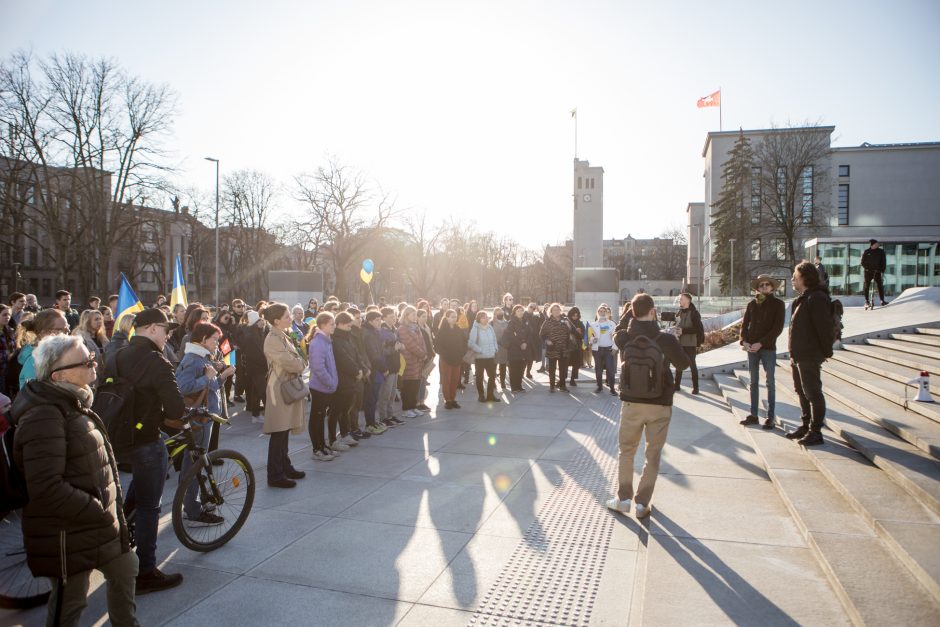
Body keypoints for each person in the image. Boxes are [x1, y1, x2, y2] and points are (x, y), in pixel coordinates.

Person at [12, 335, 138, 626]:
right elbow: (46, 487)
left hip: (101, 522)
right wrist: (97, 510)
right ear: (59, 375)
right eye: (86, 361)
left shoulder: (75, 400)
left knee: (126, 569)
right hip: (69, 532)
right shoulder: (44, 415)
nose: (95, 365)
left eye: (93, 358)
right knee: (70, 603)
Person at [109, 308, 184, 593]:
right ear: (152, 328)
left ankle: (122, 542)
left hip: (116, 437)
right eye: (167, 330)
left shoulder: (116, 354)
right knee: (150, 507)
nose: (168, 336)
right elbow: (176, 409)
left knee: (135, 498)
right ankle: (146, 572)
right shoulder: (157, 361)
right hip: (145, 440)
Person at [606, 293, 689, 519]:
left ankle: (623, 499)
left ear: (632, 312)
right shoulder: (666, 340)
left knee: (626, 451)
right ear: (653, 311)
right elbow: (683, 363)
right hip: (660, 404)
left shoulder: (625, 337)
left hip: (632, 403)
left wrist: (629, 315)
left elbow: (617, 331)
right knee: (652, 454)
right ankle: (642, 503)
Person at [176, 322, 235, 515]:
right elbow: (184, 387)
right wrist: (209, 376)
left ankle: (194, 502)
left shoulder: (201, 357)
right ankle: (191, 508)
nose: (217, 344)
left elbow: (211, 388)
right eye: (214, 340)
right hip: (197, 419)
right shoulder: (193, 359)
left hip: (204, 417)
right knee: (193, 464)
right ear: (202, 340)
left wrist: (222, 375)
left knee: (195, 463)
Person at [259, 304, 308, 485]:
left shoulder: (282, 335)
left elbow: (299, 357)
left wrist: (300, 361)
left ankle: (285, 467)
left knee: (284, 430)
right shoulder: (272, 338)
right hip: (278, 389)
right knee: (279, 432)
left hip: (284, 386)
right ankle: (275, 475)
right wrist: (300, 362)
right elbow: (291, 362)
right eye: (287, 316)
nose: (290, 319)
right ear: (276, 321)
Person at [786, 261, 834, 446]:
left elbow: (824, 328)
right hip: (798, 354)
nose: (792, 279)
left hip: (809, 355)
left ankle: (816, 431)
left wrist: (825, 352)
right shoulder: (804, 298)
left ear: (805, 277)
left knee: (813, 393)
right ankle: (805, 425)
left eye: (795, 276)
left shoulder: (817, 298)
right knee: (801, 391)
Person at [739, 275, 786, 429]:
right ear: (757, 288)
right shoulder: (752, 304)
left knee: (770, 383)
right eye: (761, 285)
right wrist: (744, 341)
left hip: (767, 348)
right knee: (753, 382)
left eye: (767, 284)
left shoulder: (778, 304)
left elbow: (777, 328)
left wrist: (761, 343)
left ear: (772, 287)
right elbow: (744, 325)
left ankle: (770, 417)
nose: (764, 287)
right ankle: (753, 415)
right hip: (751, 348)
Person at [308, 311, 339, 461]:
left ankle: (323, 445)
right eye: (332, 324)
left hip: (326, 387)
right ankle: (317, 449)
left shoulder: (326, 340)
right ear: (322, 325)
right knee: (317, 419)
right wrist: (331, 382)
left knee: (320, 419)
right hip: (320, 388)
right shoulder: (319, 342)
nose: (334, 327)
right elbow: (318, 368)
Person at [18, 308, 70, 389]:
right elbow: (36, 397)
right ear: (44, 332)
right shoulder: (34, 361)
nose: (68, 330)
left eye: (67, 326)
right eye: (60, 329)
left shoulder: (59, 354)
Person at [362, 310, 390, 433]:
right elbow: (374, 355)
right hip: (374, 370)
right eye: (377, 320)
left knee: (374, 399)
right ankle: (370, 424)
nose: (380, 322)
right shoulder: (368, 334)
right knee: (371, 399)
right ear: (370, 321)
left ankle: (373, 422)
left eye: (380, 319)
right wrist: (384, 369)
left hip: (377, 369)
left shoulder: (374, 332)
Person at [237, 310, 268, 420]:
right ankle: (270, 416)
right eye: (260, 320)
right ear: (255, 322)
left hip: (260, 366)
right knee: (264, 391)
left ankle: (255, 414)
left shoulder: (261, 331)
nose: (263, 322)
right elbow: (251, 352)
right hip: (255, 367)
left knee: (256, 391)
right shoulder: (249, 333)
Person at [398, 306, 428, 417]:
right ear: (406, 316)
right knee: (408, 386)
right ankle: (406, 409)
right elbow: (410, 345)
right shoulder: (402, 328)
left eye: (416, 314)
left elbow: (422, 342)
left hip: (418, 361)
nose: (416, 317)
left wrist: (424, 354)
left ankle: (413, 407)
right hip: (409, 361)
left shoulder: (416, 327)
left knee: (415, 385)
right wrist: (422, 354)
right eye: (413, 315)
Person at [377, 307, 404, 427]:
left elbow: (398, 343)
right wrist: (394, 348)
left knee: (392, 394)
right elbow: (382, 351)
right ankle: (383, 417)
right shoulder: (381, 332)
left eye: (394, 316)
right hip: (387, 366)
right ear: (384, 318)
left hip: (395, 365)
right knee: (385, 394)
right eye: (391, 317)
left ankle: (390, 414)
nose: (394, 318)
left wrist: (401, 346)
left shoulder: (394, 329)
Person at [673, 293, 704, 395]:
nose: (679, 301)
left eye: (681, 299)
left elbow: (697, 329)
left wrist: (683, 331)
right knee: (679, 364)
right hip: (680, 343)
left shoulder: (694, 313)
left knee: (692, 365)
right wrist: (676, 329)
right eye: (679, 299)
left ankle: (696, 388)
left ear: (688, 301)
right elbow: (678, 325)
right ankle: (677, 385)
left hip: (690, 344)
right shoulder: (679, 312)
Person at [468, 310, 500, 402]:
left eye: (486, 317)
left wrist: (495, 348)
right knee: (479, 376)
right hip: (480, 357)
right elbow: (471, 343)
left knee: (492, 376)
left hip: (490, 356)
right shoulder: (475, 328)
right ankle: (481, 395)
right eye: (483, 317)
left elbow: (494, 338)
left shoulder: (490, 327)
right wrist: (480, 350)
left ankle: (490, 395)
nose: (486, 319)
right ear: (478, 319)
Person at [435, 309, 465, 408]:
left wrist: (462, 353)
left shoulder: (458, 329)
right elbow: (437, 346)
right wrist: (445, 354)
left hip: (457, 358)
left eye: (455, 316)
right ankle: (447, 400)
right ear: (447, 318)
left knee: (455, 379)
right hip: (446, 359)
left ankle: (453, 398)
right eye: (452, 316)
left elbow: (465, 342)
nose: (454, 318)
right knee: (446, 379)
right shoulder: (442, 330)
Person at [586, 305, 617, 395]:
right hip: (597, 350)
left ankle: (612, 389)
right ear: (597, 313)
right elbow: (590, 338)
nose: (602, 313)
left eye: (604, 311)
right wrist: (592, 340)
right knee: (598, 370)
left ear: (607, 313)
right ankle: (599, 387)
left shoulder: (612, 324)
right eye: (600, 311)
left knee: (610, 369)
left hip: (609, 349)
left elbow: (616, 337)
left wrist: (615, 348)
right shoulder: (593, 325)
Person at [540, 303, 570, 392]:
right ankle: (552, 386)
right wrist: (546, 341)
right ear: (551, 312)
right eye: (554, 310)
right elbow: (541, 334)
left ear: (560, 310)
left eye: (558, 310)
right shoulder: (547, 321)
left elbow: (570, 332)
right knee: (552, 369)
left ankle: (562, 386)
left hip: (563, 349)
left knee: (563, 369)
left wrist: (568, 326)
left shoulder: (565, 320)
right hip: (552, 349)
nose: (556, 311)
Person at [505, 305, 529, 393]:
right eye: (518, 311)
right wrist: (520, 344)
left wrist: (526, 343)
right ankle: (514, 387)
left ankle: (519, 385)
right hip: (514, 349)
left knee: (521, 368)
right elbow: (510, 335)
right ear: (515, 313)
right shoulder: (511, 322)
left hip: (524, 348)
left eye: (522, 310)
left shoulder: (526, 321)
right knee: (514, 369)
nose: (521, 312)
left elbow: (529, 333)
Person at [415, 308, 435, 410]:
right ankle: (417, 402)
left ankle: (422, 401)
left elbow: (429, 341)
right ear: (417, 317)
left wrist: (432, 353)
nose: (425, 318)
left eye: (426, 316)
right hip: (421, 357)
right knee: (420, 380)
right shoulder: (416, 328)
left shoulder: (426, 327)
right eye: (423, 316)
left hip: (429, 356)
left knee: (424, 380)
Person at [861, 238, 887, 307]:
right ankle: (867, 301)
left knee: (880, 285)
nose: (878, 245)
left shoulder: (881, 251)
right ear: (872, 245)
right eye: (876, 244)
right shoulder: (866, 252)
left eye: (878, 244)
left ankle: (882, 300)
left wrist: (882, 270)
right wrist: (867, 268)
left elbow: (883, 261)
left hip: (877, 271)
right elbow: (862, 262)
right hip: (868, 272)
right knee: (867, 286)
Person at [0, 305, 19, 397]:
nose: (7, 317)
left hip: (9, 370)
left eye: (9, 315)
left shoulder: (10, 331)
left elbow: (14, 348)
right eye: (4, 314)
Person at [566, 307, 586, 386]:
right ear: (570, 315)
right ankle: (562, 379)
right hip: (567, 346)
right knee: (565, 363)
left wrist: (580, 332)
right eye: (573, 315)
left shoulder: (580, 323)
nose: (575, 317)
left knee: (576, 364)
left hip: (577, 346)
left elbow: (583, 335)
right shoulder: (567, 322)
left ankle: (572, 379)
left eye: (576, 315)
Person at [492, 307, 509, 390]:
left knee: (503, 366)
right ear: (495, 314)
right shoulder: (491, 323)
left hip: (504, 347)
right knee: (493, 366)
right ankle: (493, 381)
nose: (500, 315)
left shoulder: (506, 323)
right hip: (494, 347)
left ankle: (502, 382)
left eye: (501, 313)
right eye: (498, 313)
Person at [524, 302, 543, 378]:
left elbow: (543, 320)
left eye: (533, 308)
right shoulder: (523, 315)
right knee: (524, 358)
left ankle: (528, 372)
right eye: (531, 307)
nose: (532, 309)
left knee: (531, 358)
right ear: (527, 306)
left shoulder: (535, 317)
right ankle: (521, 373)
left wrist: (540, 311)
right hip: (524, 340)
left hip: (533, 340)